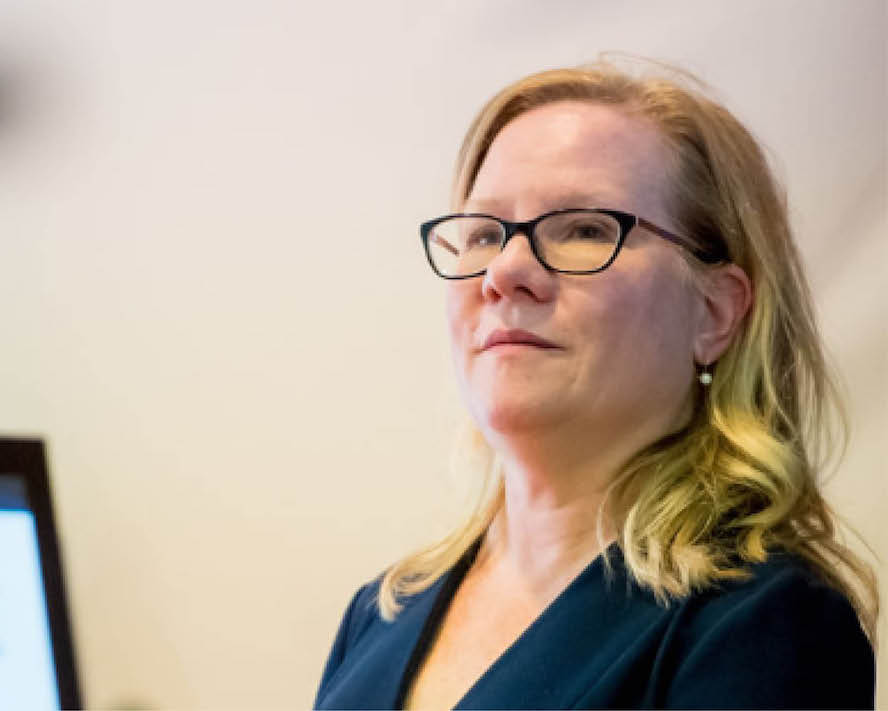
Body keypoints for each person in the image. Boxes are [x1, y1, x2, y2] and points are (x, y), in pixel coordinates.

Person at [313, 59, 878, 710]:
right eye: (483, 233)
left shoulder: (763, 628)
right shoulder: (379, 613)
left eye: (584, 229)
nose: (506, 270)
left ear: (716, 312)